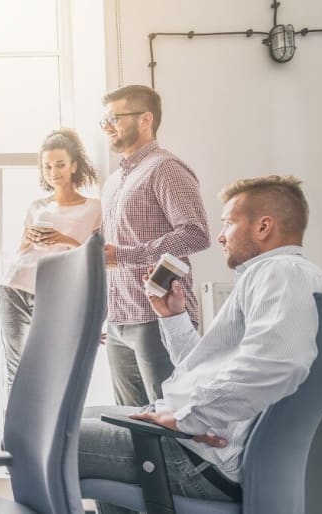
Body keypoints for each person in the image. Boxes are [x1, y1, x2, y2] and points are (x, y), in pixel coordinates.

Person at [79, 175, 322, 513]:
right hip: (192, 443)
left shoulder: (283, 272)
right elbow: (199, 371)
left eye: (228, 223)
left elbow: (279, 362)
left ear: (264, 226)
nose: (221, 235)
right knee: (75, 419)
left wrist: (187, 419)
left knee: (46, 440)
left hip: (197, 458)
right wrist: (172, 316)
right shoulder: (271, 276)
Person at [99, 85, 211, 406]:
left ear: (145, 119)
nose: (107, 126)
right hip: (119, 323)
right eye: (103, 121)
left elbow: (196, 233)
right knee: (130, 426)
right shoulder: (112, 183)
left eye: (113, 118)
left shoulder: (166, 168)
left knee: (170, 420)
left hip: (158, 318)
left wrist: (123, 255)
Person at [0, 128, 100, 387]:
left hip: (56, 292)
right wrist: (31, 238)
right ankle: (18, 429)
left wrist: (62, 238)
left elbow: (96, 256)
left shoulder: (94, 208)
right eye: (47, 167)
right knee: (17, 370)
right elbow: (22, 250)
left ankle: (50, 428)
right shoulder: (37, 206)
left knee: (54, 369)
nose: (53, 173)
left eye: (60, 165)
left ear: (74, 166)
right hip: (16, 286)